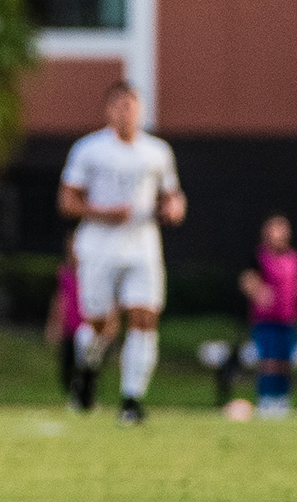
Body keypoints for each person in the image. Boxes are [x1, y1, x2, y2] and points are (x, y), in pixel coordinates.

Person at [59, 81, 185, 425]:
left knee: (144, 318)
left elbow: (172, 195)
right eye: (119, 105)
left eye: (132, 105)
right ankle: (86, 371)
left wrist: (174, 208)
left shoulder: (157, 152)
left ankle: (132, 399)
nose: (126, 111)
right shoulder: (90, 149)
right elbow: (68, 201)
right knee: (101, 324)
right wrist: (105, 212)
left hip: (142, 244)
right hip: (100, 244)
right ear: (108, 110)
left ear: (141, 109)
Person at [237, 213, 297, 419]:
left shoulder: (293, 258)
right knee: (269, 361)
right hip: (265, 321)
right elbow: (246, 279)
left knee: (285, 362)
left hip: (288, 320)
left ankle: (282, 400)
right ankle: (266, 399)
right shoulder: (259, 256)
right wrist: (258, 291)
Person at [45, 231, 118, 410]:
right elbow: (60, 299)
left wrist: (112, 325)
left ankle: (87, 397)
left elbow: (110, 302)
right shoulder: (66, 272)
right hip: (71, 327)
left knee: (91, 363)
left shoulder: (99, 271)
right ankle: (75, 396)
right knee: (69, 365)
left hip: (90, 327)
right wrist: (54, 323)